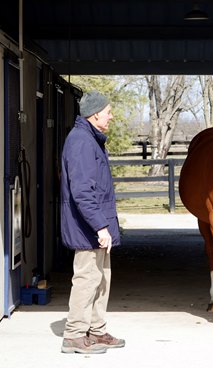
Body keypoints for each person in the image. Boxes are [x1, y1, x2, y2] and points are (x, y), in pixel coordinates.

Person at [60, 90, 125, 354]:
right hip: (88, 229)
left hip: (97, 227)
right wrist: (100, 226)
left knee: (102, 279)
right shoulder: (81, 142)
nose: (111, 116)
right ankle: (74, 334)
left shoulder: (91, 139)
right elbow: (83, 191)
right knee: (87, 278)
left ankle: (96, 330)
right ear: (95, 113)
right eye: (108, 111)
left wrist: (104, 226)